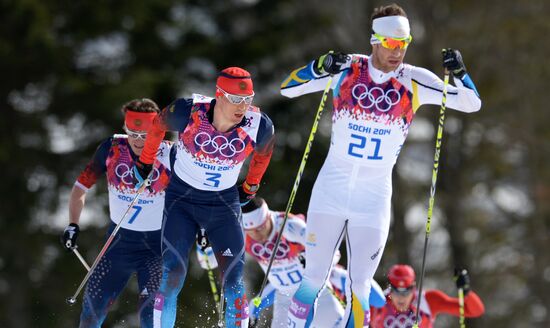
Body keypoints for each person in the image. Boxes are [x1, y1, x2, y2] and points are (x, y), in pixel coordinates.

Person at [280, 3, 481, 327]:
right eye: (390, 44)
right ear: (375, 40)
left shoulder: (413, 80)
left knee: (360, 284)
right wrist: (319, 66)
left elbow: (470, 104)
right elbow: (288, 89)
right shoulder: (348, 70)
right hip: (331, 189)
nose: (396, 52)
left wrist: (460, 72)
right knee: (314, 277)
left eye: (403, 44)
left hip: (373, 198)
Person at [133, 67, 275, 327]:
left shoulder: (260, 125)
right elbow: (157, 125)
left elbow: (264, 154)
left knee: (234, 282)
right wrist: (145, 162)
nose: (242, 106)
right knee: (172, 274)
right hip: (182, 202)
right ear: (219, 95)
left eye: (247, 99)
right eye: (235, 99)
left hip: (222, 206)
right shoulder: (188, 111)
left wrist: (251, 186)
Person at [61, 98, 172, 328]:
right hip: (117, 244)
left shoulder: (170, 153)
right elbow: (80, 188)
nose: (140, 141)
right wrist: (73, 224)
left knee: (151, 319)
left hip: (157, 248)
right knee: (90, 315)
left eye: (147, 134)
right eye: (134, 133)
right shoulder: (112, 149)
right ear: (125, 129)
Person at [370, 264, 485, 327]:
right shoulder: (377, 302)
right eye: (396, 292)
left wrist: (466, 291)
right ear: (390, 289)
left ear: (413, 287)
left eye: (406, 292)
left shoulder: (428, 301)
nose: (401, 298)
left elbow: (475, 311)